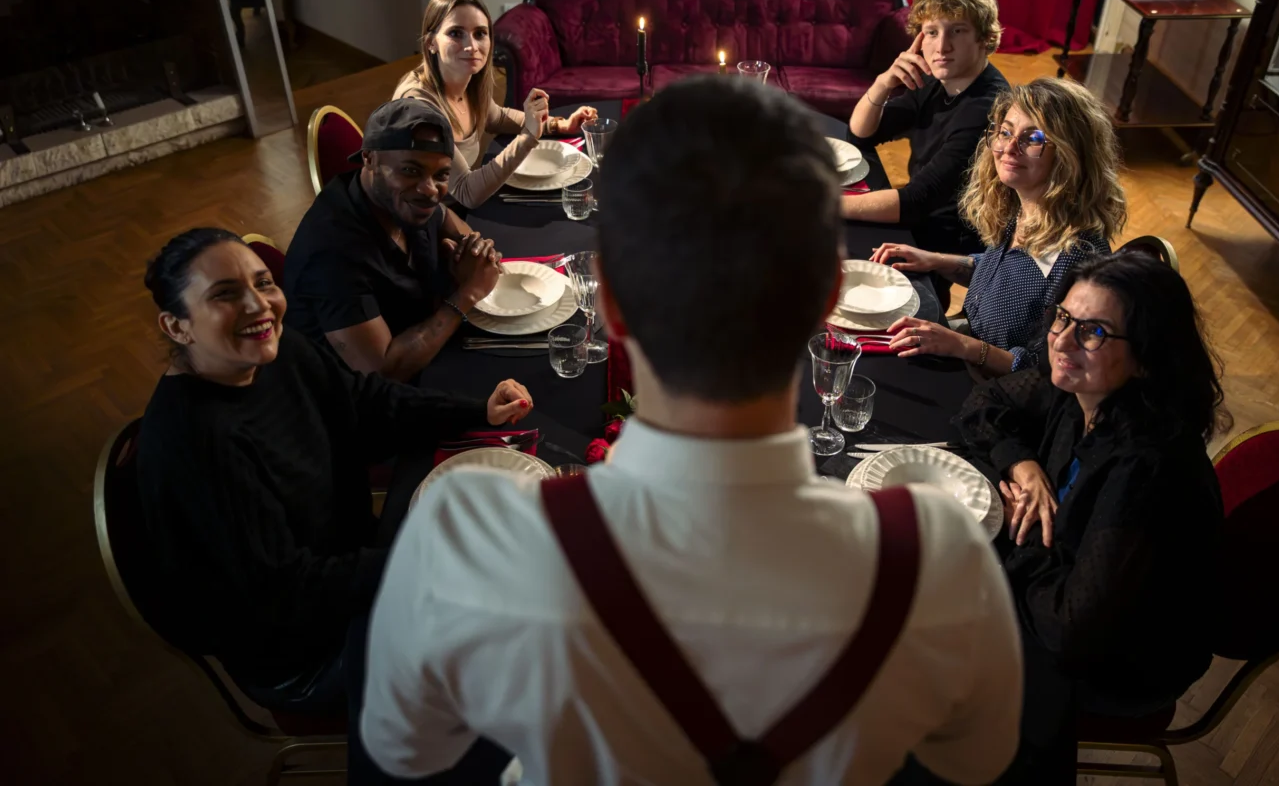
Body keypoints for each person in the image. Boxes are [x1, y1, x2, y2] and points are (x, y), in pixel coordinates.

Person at [360, 77, 1024, 785]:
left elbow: (407, 750)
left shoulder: (464, 537)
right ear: (826, 299)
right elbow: (977, 763)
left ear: (609, 301)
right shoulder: (941, 561)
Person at [136, 228, 532, 783]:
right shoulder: (195, 447)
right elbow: (290, 591)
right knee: (511, 645)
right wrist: (427, 556)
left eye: (264, 282)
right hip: (307, 645)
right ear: (176, 325)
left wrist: (474, 412)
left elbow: (365, 403)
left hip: (350, 567)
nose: (258, 306)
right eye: (225, 294)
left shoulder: (274, 351)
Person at [956, 252, 1229, 782]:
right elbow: (981, 402)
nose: (1061, 341)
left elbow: (1071, 630)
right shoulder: (1083, 389)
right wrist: (1024, 462)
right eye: (1063, 317)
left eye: (1094, 331)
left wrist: (1026, 534)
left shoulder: (1147, 467)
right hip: (1069, 590)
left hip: (1117, 659)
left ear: (1147, 356)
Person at [872, 77, 1128, 376]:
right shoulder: (1025, 205)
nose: (1009, 147)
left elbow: (1048, 372)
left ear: (1069, 154)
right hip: (970, 345)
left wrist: (961, 346)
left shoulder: (1077, 256)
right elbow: (1008, 275)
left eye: (1032, 139)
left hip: (1000, 393)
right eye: (1005, 132)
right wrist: (935, 260)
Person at [286, 98, 503, 383]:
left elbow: (443, 213)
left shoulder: (403, 201)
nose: (429, 190)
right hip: (359, 406)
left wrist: (472, 247)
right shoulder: (332, 252)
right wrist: (467, 293)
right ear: (369, 158)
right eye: (410, 171)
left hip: (425, 354)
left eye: (441, 175)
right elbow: (384, 370)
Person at [843, 0, 1010, 265]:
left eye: (957, 31)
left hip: (945, 243)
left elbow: (917, 201)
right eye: (931, 32)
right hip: (918, 217)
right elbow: (862, 134)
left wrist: (823, 203)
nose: (942, 47)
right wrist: (883, 83)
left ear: (984, 38)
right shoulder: (937, 80)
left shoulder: (988, 107)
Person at [394, 0, 598, 207]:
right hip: (424, 216)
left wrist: (559, 125)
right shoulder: (420, 108)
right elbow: (466, 192)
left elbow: (497, 118)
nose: (471, 46)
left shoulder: (467, 81)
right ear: (430, 43)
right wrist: (529, 135)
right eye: (455, 33)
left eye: (480, 33)